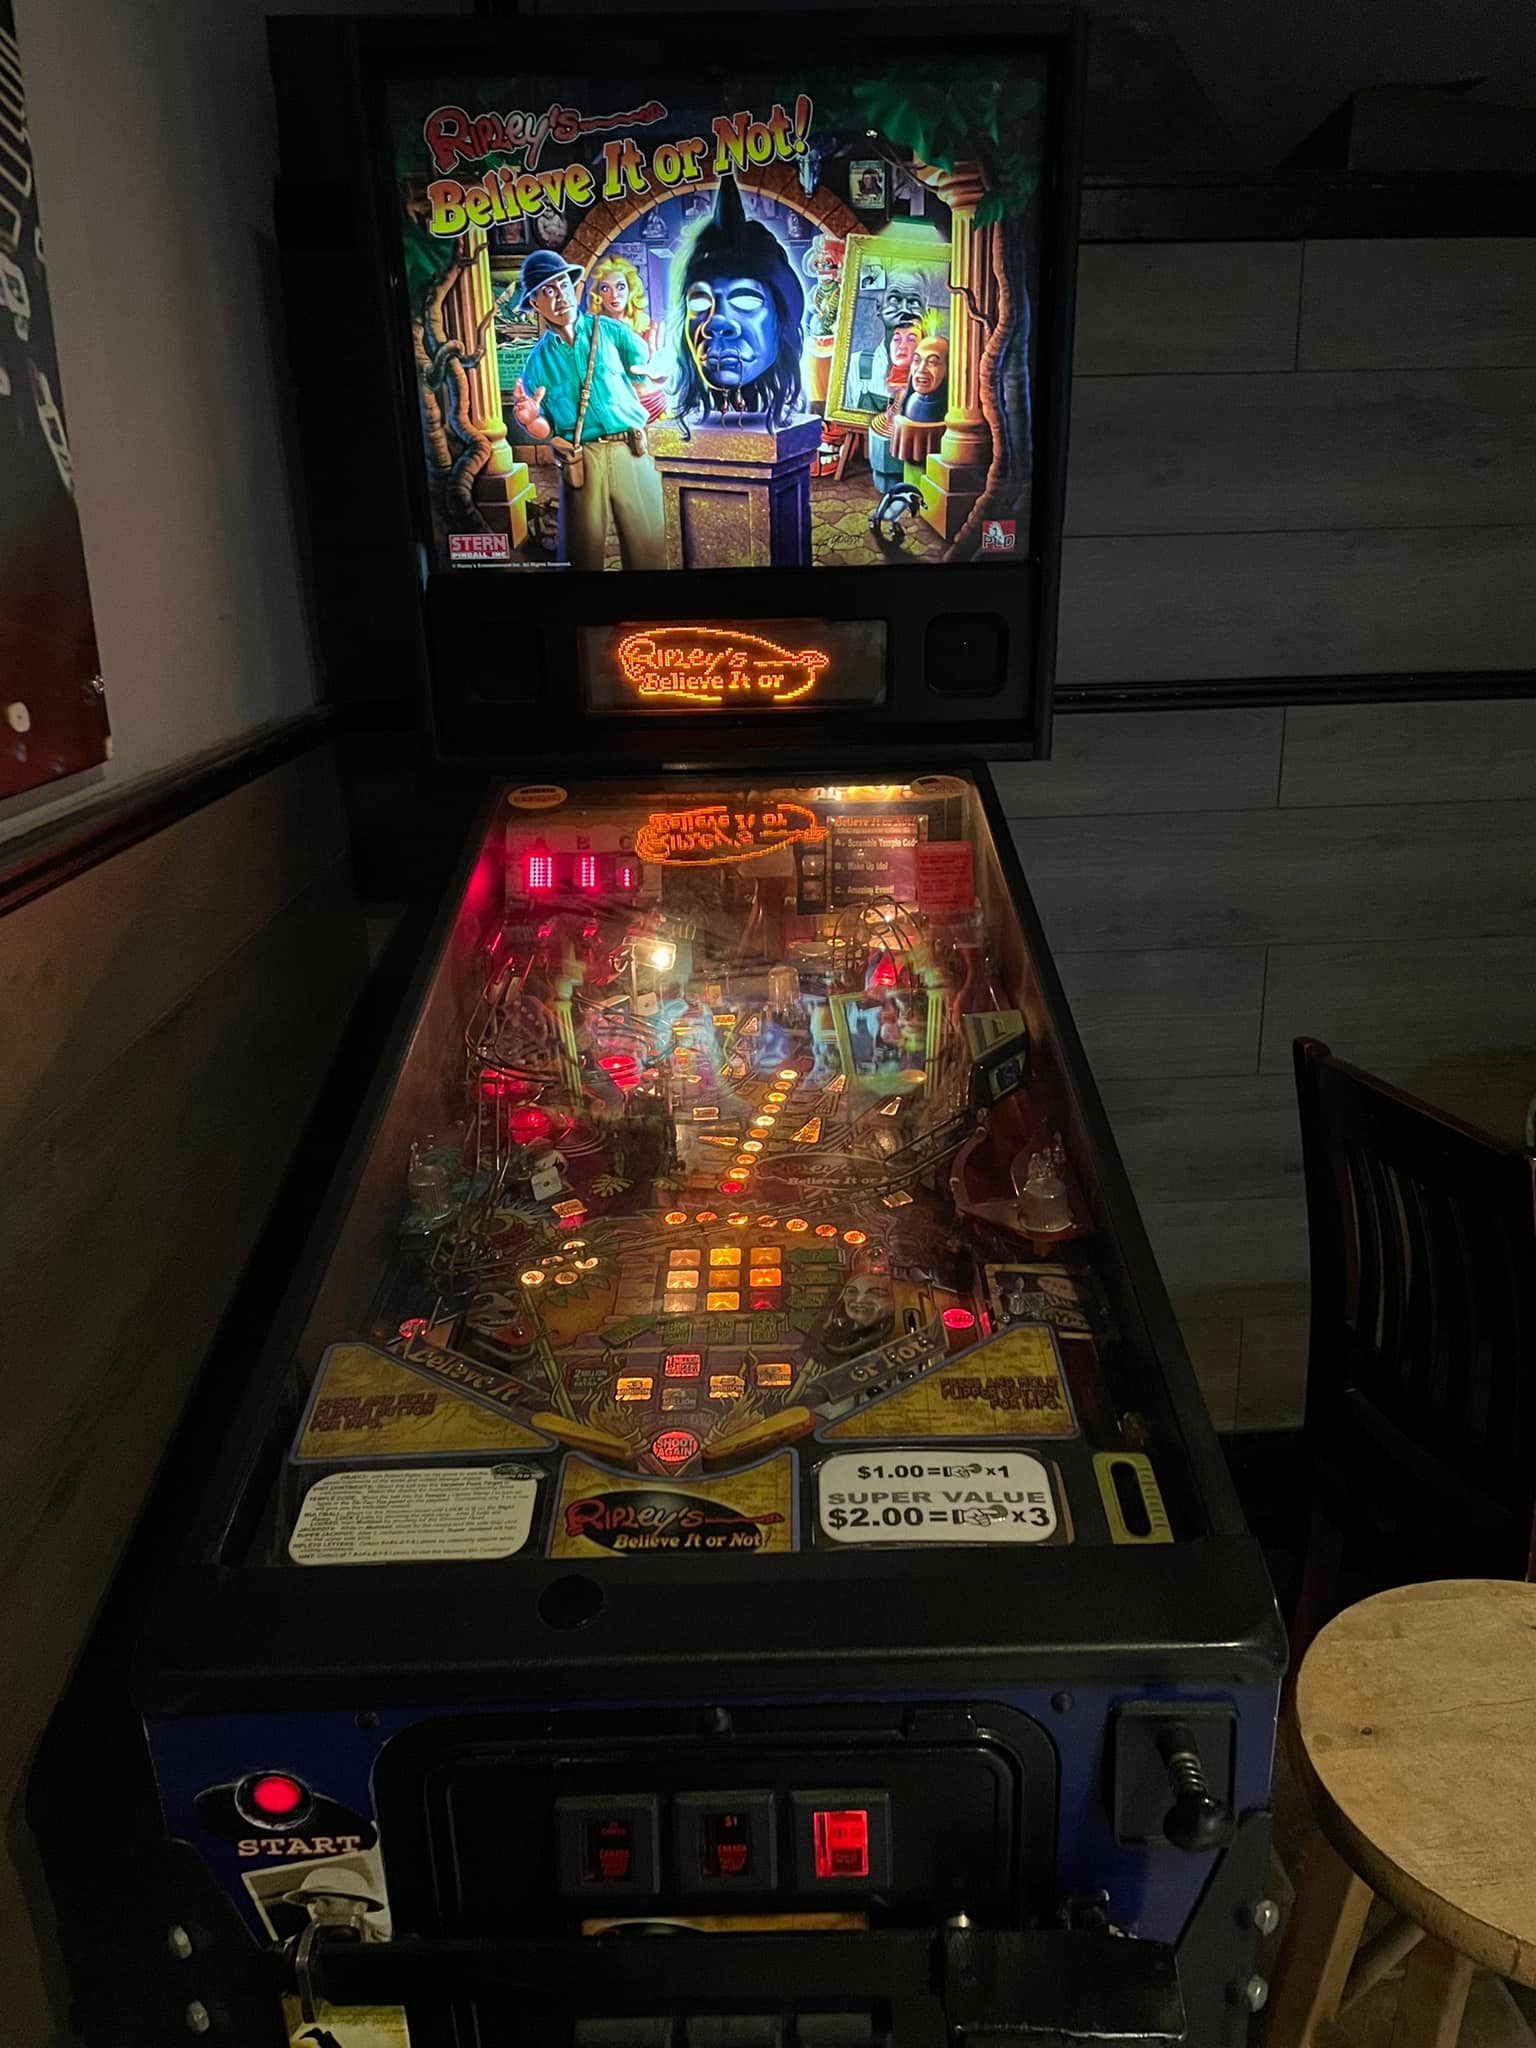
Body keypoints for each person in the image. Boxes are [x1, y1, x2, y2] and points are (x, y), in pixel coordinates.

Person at [509, 247, 666, 572]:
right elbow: (546, 428)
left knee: (649, 550)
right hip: (580, 460)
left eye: (563, 285)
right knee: (581, 557)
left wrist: (656, 371)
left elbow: (645, 375)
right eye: (547, 291)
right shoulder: (537, 362)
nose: (559, 296)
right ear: (535, 303)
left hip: (630, 449)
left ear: (574, 287)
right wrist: (530, 420)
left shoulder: (612, 332)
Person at [587, 254, 666, 423]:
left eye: (620, 286)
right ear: (597, 294)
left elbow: (663, 374)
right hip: (610, 415)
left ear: (631, 289)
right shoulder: (591, 332)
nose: (614, 295)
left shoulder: (650, 329)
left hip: (651, 408)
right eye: (605, 288)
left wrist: (659, 373)